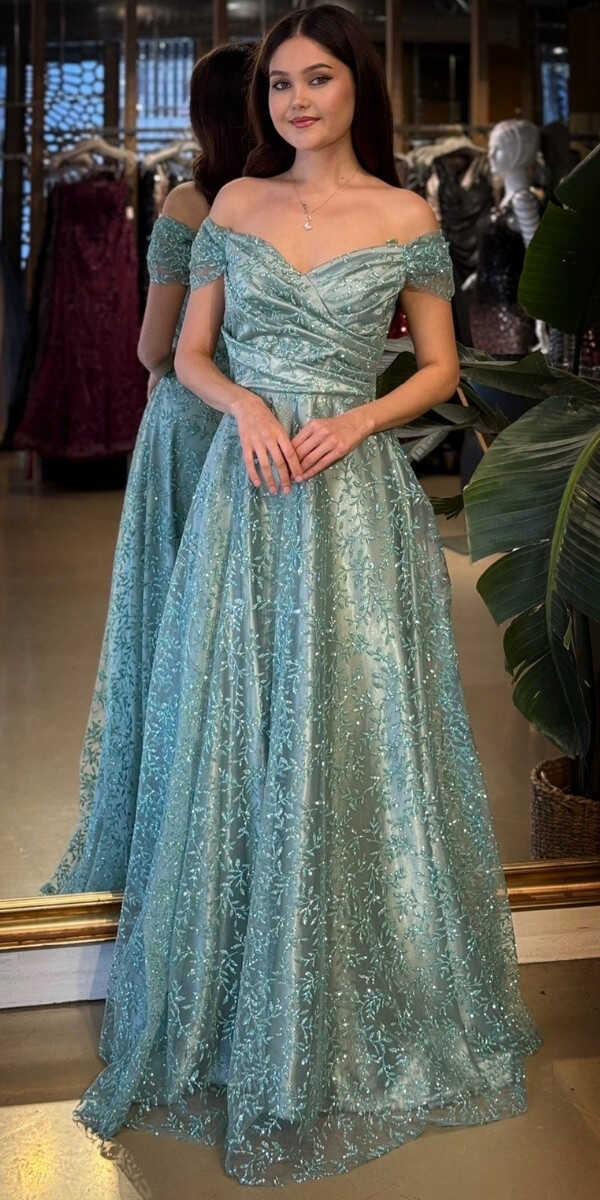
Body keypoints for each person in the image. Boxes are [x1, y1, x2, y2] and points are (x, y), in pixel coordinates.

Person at [72, 4, 543, 1186]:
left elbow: (440, 365)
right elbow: (186, 354)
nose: (296, 100)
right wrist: (247, 406)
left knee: (354, 727)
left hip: (354, 496)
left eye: (317, 79)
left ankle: (352, 990)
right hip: (248, 490)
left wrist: (360, 419)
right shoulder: (232, 205)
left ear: (354, 89)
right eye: (279, 83)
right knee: (233, 723)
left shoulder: (408, 214)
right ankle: (231, 989)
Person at [39, 41, 256, 896]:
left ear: (205, 118)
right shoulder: (287, 199)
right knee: (245, 618)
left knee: (174, 619)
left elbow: (151, 346)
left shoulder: (193, 201)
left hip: (193, 423)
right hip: (268, 418)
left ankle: (172, 818)